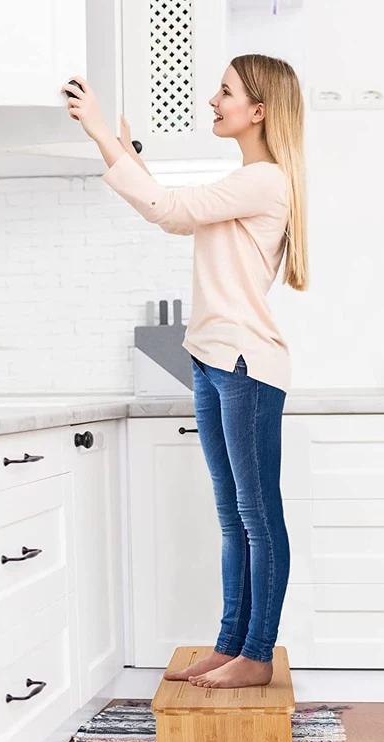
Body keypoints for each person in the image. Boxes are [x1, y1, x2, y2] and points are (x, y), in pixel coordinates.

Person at [64, 53, 308, 689]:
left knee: (258, 518)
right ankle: (233, 645)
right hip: (211, 359)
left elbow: (168, 209)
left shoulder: (264, 180)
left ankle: (257, 654)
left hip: (246, 365)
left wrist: (99, 135)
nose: (212, 101)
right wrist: (116, 139)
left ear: (258, 110)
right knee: (234, 519)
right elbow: (171, 206)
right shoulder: (244, 181)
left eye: (224, 92)